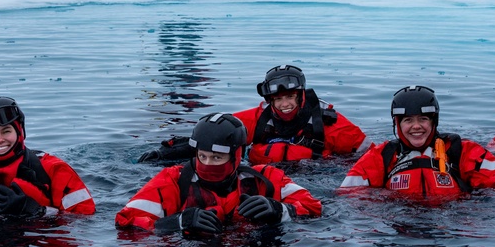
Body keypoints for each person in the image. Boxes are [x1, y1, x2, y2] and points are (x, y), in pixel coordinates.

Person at [337, 86, 495, 213]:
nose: (416, 127)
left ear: (434, 121)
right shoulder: (382, 156)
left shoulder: (461, 150)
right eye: (408, 120)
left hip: (454, 223)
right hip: (397, 225)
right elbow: (348, 197)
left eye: (423, 119)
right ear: (397, 124)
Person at [116, 113, 322, 235]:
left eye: (216, 158)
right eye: (202, 156)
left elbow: (313, 207)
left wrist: (280, 210)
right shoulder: (174, 180)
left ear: (236, 156)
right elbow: (125, 221)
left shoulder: (264, 178)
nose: (207, 164)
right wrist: (177, 222)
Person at [139, 64, 366, 165]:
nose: (285, 105)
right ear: (269, 100)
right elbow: (213, 135)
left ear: (301, 95)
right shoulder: (256, 119)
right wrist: (164, 153)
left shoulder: (329, 124)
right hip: (266, 179)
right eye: (278, 99)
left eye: (290, 97)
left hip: (317, 179)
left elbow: (368, 156)